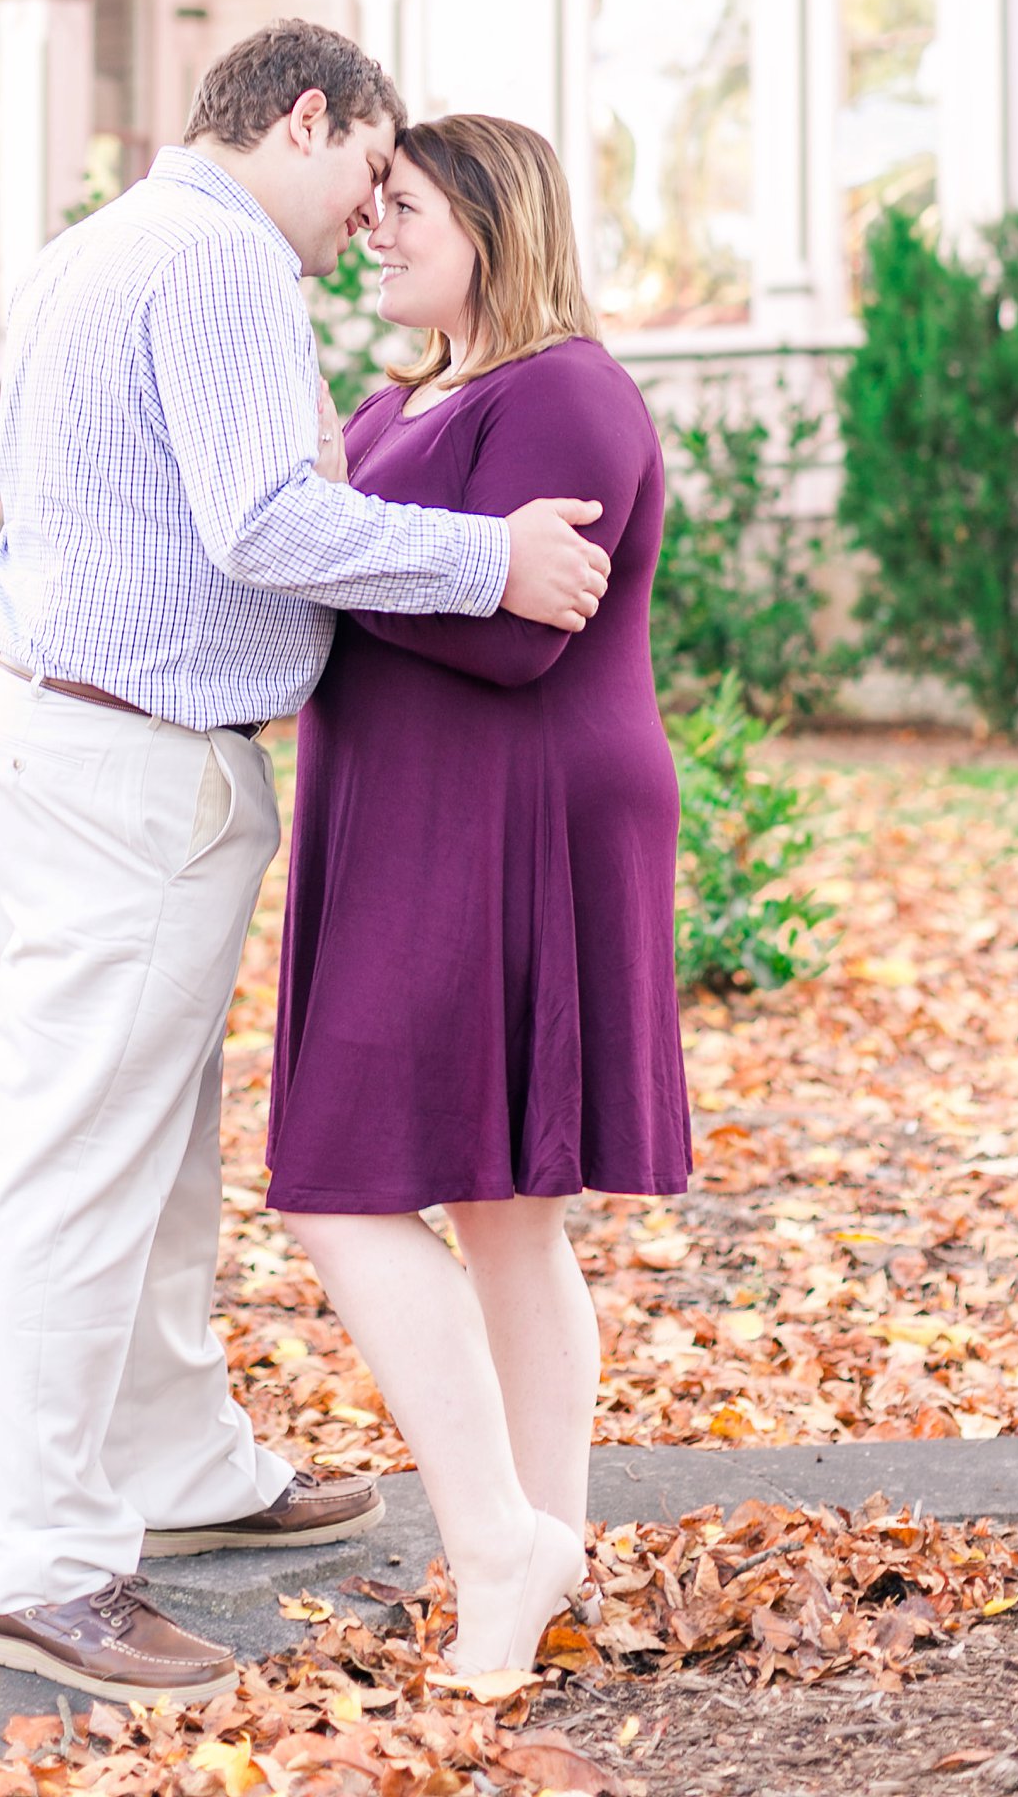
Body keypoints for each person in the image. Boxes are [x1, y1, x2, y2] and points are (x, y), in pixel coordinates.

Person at [0, 24, 615, 1706]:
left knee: (148, 1141)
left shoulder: (95, 246)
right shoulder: (225, 259)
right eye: (369, 174)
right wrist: (490, 557)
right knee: (80, 1159)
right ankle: (34, 1567)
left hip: (55, 727)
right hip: (129, 757)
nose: (365, 221)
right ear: (306, 120)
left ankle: (184, 1468)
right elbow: (262, 522)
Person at [266, 114, 691, 1679]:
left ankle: (502, 1539)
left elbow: (525, 632)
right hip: (404, 805)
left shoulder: (567, 389)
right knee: (502, 1214)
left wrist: (339, 549)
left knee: (343, 1183)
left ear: (497, 225)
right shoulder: (395, 402)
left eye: (410, 207)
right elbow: (412, 580)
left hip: (521, 813)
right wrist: (389, 543)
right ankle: (538, 1555)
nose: (376, 230)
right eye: (372, 205)